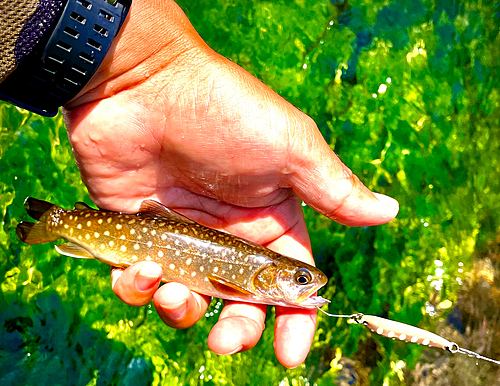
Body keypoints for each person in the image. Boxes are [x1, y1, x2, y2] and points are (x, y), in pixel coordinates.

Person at [2, 0, 398, 367]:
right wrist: (147, 65)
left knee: (155, 287)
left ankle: (60, 222)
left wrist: (134, 63)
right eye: (300, 278)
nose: (306, 283)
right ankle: (59, 223)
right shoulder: (245, 282)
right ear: (272, 275)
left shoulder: (253, 277)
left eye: (302, 280)